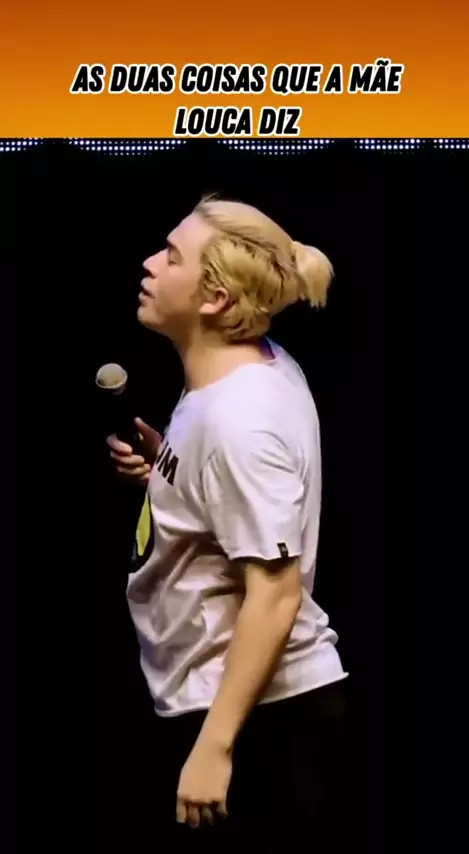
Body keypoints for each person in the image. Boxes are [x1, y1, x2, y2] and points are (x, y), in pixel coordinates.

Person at [107, 196, 348, 847]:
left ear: (214, 298)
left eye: (171, 256)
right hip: (230, 705)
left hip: (257, 721)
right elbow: (234, 498)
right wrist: (169, 473)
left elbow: (275, 594)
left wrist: (215, 748)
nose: (150, 264)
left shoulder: (240, 421)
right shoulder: (242, 367)